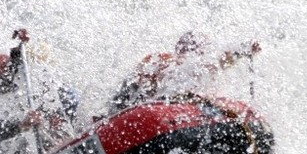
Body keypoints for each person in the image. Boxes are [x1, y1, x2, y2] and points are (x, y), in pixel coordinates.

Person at [110, 30, 262, 111]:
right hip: (132, 106)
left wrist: (243, 51)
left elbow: (219, 61)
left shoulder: (204, 72)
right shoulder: (164, 61)